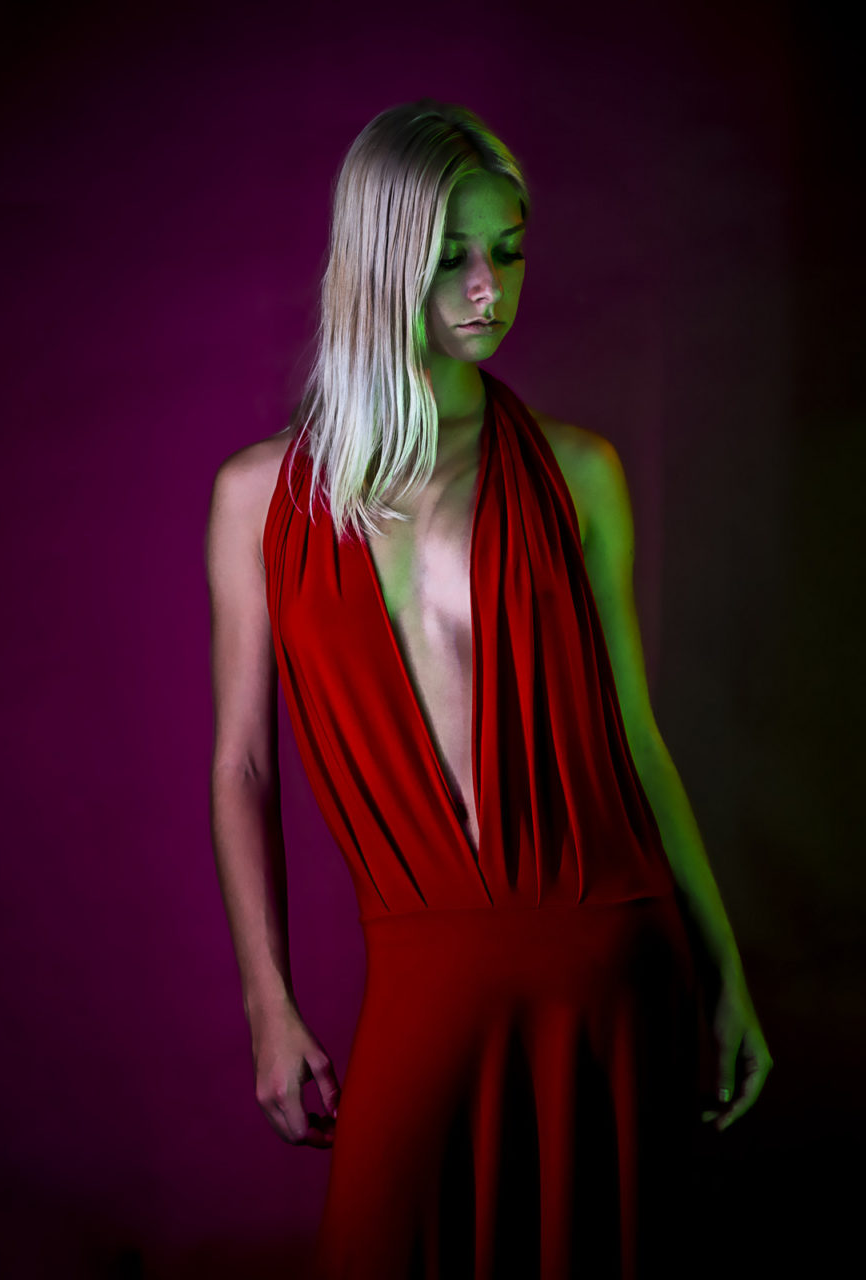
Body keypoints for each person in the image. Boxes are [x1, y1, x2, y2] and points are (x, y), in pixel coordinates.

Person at [206, 101, 772, 1279]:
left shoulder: (578, 472)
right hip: (426, 967)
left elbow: (633, 736)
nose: (487, 287)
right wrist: (268, 999)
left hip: (610, 965)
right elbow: (243, 763)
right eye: (450, 257)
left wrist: (724, 968)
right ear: (379, 265)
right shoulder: (258, 498)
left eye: (506, 252)